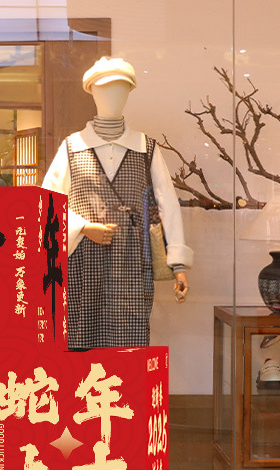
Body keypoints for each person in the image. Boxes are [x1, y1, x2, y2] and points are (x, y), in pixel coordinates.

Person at [42, 57, 193, 347]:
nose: (113, 97)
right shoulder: (72, 147)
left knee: (129, 342)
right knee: (80, 339)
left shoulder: (146, 148)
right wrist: (83, 227)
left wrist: (179, 265)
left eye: (121, 89)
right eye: (105, 89)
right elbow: (46, 205)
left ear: (129, 93)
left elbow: (168, 205)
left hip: (132, 261)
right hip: (83, 261)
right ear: (92, 92)